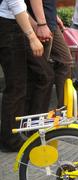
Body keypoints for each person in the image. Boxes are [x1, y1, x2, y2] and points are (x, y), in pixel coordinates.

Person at [0, 0, 44, 152]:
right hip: (8, 26)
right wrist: (32, 37)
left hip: (10, 25)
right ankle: (10, 140)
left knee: (17, 85)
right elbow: (16, 4)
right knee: (16, 86)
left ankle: (12, 134)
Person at [25, 0, 72, 108]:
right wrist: (40, 24)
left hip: (49, 22)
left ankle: (64, 108)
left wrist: (54, 16)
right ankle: (35, 116)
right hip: (40, 25)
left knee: (65, 61)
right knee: (41, 74)